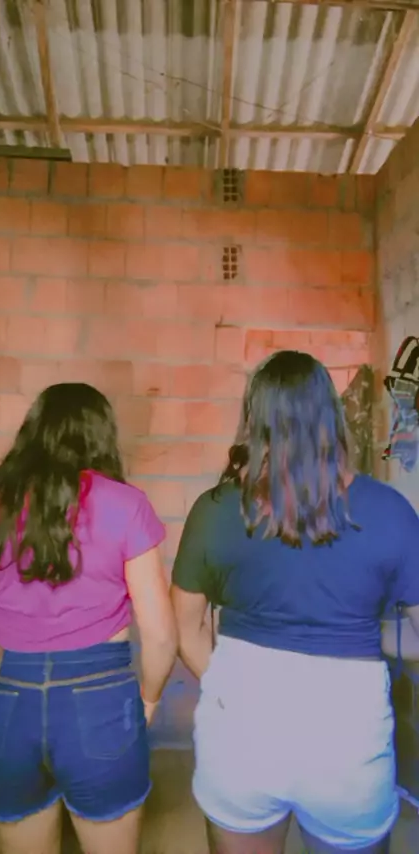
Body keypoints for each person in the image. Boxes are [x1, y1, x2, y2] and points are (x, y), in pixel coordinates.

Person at [171, 351, 419, 854]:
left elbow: (186, 631)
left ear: (253, 419)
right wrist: (360, 635)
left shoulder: (213, 511)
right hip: (346, 742)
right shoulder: (391, 511)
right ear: (331, 415)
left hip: (240, 734)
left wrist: (231, 689)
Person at [0, 382, 177, 854]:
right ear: (102, 437)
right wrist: (148, 701)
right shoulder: (126, 505)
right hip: (100, 699)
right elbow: (161, 638)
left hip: (8, 705)